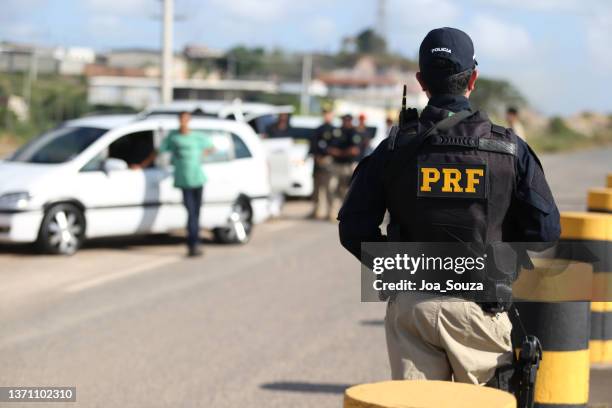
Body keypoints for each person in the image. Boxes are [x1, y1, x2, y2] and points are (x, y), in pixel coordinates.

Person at [338, 27, 560, 387]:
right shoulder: (509, 148)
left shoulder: (392, 148)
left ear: (421, 81)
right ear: (472, 78)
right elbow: (545, 232)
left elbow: (352, 229)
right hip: (481, 307)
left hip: (413, 307)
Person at [133, 111, 214, 257]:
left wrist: (201, 155)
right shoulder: (174, 137)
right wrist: (142, 165)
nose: (183, 122)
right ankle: (193, 243)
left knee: (196, 213)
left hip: (198, 179)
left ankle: (194, 242)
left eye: (185, 120)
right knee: (191, 213)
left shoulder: (197, 137)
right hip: (184, 180)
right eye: (181, 119)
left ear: (188, 121)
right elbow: (158, 151)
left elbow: (211, 147)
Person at [328, 114, 362, 219]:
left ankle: (347, 212)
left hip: (348, 165)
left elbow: (355, 150)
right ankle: (333, 212)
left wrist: (341, 153)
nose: (345, 122)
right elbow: (329, 147)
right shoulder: (336, 131)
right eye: (344, 120)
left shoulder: (354, 132)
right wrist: (340, 152)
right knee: (332, 187)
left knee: (346, 190)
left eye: (348, 120)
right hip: (336, 164)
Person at [308, 109, 337, 220]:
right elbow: (313, 145)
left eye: (329, 114)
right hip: (317, 162)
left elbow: (335, 147)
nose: (327, 116)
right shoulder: (318, 129)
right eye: (325, 114)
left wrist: (326, 155)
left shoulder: (335, 130)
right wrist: (316, 156)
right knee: (316, 188)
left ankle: (332, 213)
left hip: (328, 162)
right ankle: (316, 211)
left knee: (329, 188)